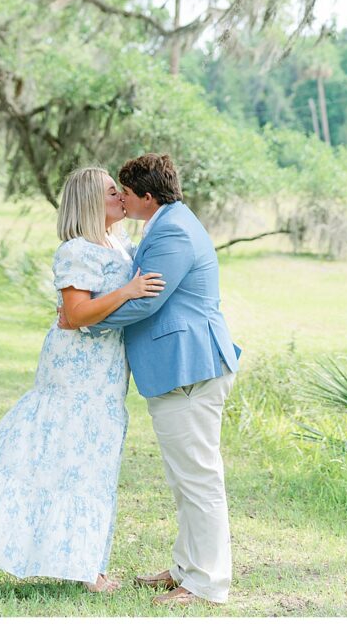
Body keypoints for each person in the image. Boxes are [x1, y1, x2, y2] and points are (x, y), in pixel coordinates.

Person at [0, 166, 164, 592]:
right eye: (113, 192)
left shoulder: (121, 244)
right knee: (70, 458)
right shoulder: (76, 250)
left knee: (95, 462)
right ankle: (88, 569)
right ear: (91, 201)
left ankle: (84, 561)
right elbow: (76, 315)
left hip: (107, 370)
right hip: (75, 371)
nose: (122, 198)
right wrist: (126, 292)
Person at [60, 152, 239, 607]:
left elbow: (147, 302)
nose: (120, 198)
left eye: (124, 192)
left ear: (145, 196)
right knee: (185, 480)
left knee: (199, 480)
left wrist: (84, 321)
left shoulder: (174, 229)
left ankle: (207, 585)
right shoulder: (164, 224)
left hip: (190, 367)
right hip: (176, 369)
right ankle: (186, 568)